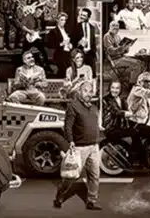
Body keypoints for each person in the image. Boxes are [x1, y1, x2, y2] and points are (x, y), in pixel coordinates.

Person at [54, 81, 101, 210]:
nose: (88, 93)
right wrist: (70, 141)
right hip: (79, 147)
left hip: (94, 147)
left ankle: (91, 201)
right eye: (85, 90)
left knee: (94, 175)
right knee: (72, 176)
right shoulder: (73, 106)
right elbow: (67, 126)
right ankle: (60, 196)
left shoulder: (94, 108)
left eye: (90, 91)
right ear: (79, 92)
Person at [102, 81, 143, 163]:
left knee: (140, 129)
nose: (114, 90)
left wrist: (135, 114)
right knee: (134, 133)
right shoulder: (106, 99)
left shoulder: (122, 99)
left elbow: (128, 111)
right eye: (113, 87)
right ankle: (134, 158)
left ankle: (138, 156)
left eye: (117, 88)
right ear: (109, 88)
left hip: (121, 126)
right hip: (111, 128)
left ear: (120, 90)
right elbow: (115, 111)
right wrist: (127, 113)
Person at [103, 21, 143, 86]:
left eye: (117, 27)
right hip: (115, 60)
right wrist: (121, 48)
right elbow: (111, 51)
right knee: (136, 65)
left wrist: (127, 47)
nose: (116, 28)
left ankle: (136, 81)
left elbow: (123, 51)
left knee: (140, 62)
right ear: (110, 27)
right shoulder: (107, 36)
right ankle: (132, 84)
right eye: (114, 26)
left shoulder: (118, 36)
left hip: (121, 57)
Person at [19, 6, 50, 72]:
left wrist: (44, 32)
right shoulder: (29, 17)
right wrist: (29, 31)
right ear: (35, 11)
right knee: (24, 52)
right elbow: (22, 25)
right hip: (28, 38)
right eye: (38, 12)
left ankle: (47, 67)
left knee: (43, 51)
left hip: (36, 38)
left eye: (40, 13)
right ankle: (21, 67)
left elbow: (38, 30)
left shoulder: (39, 20)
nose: (39, 14)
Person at [47, 12, 73, 78]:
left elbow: (70, 41)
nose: (63, 22)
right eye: (61, 20)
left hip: (68, 54)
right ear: (57, 20)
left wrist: (70, 45)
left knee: (69, 71)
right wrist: (61, 44)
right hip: (59, 55)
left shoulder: (67, 30)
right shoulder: (53, 31)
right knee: (64, 71)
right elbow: (50, 44)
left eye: (64, 20)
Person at [72, 8, 97, 75]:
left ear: (88, 17)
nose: (82, 17)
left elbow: (93, 42)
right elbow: (72, 42)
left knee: (92, 74)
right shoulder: (76, 27)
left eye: (84, 16)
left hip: (90, 54)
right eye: (81, 15)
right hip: (80, 53)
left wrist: (94, 54)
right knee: (80, 73)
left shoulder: (92, 28)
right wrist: (79, 43)